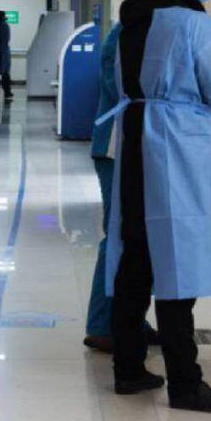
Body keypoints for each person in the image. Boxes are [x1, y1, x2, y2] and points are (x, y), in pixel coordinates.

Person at [104, 0, 211, 413]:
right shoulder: (193, 22)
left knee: (136, 253)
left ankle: (129, 368)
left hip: (136, 136)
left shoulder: (130, 22)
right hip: (177, 143)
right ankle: (186, 383)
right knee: (178, 255)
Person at [83, 22, 159, 353]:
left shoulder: (140, 30)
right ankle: (102, 325)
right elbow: (130, 83)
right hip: (116, 147)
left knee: (135, 239)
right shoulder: (125, 34)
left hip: (131, 147)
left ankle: (129, 319)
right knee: (117, 237)